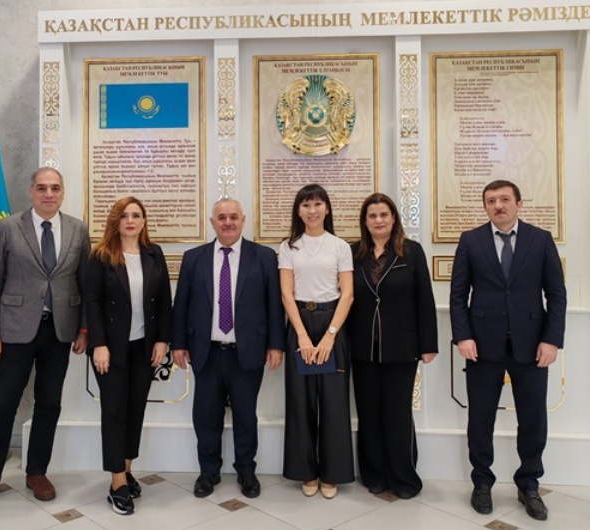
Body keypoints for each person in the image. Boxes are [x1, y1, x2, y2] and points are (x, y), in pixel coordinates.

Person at [0, 167, 90, 511]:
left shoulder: (78, 229)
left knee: (49, 403)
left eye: (55, 188)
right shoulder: (8, 227)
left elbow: (84, 283)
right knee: (3, 404)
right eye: (42, 188)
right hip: (15, 330)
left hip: (59, 330)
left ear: (63, 193)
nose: (49, 194)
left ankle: (37, 473)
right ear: (31, 191)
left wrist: (83, 329)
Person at [450, 179, 566, 521]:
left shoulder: (540, 239)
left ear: (519, 203)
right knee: (480, 418)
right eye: (491, 201)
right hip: (482, 346)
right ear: (485, 206)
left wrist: (551, 340)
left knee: (533, 419)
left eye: (504, 199)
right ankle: (482, 483)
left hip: (532, 346)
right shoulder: (470, 240)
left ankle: (529, 484)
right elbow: (458, 295)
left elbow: (556, 294)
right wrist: (463, 336)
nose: (498, 205)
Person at [172, 198, 285, 499]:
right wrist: (179, 343)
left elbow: (274, 304)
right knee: (205, 415)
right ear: (212, 222)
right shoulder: (193, 258)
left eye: (234, 217)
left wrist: (276, 344)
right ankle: (208, 472)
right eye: (221, 217)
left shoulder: (263, 256)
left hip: (247, 351)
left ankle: (246, 470)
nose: (228, 222)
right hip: (206, 351)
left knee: (246, 415)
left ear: (243, 220)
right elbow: (181, 303)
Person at [85, 196, 172, 515]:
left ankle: (126, 468)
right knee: (115, 412)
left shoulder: (154, 253)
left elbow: (164, 300)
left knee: (135, 410)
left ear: (144, 221)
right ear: (115, 221)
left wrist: (162, 340)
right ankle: (117, 484)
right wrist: (99, 344)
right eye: (124, 216)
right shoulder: (101, 255)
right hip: (110, 349)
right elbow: (92, 302)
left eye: (136, 215)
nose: (131, 221)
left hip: (143, 348)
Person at [348, 193, 438, 499]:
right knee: (369, 413)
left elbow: (424, 298)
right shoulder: (353, 253)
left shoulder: (411, 251)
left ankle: (403, 477)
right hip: (362, 348)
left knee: (397, 413)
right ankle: (374, 475)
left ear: (394, 218)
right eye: (372, 216)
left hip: (402, 346)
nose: (378, 220)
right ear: (364, 221)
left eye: (383, 215)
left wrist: (428, 344)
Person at [279, 184, 354, 499]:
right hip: (299, 323)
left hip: (332, 322)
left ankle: (332, 473)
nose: (312, 210)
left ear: (327, 208)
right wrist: (301, 334)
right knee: (301, 402)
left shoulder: (340, 246)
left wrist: (329, 337)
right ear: (298, 211)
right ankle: (306, 471)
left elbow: (347, 294)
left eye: (318, 204)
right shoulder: (288, 247)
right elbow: (286, 293)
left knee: (334, 403)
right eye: (306, 205)